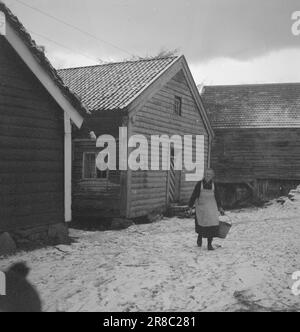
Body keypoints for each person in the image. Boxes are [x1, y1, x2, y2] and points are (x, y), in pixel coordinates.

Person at [189, 169, 224, 251]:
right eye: (206, 174)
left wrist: (220, 207)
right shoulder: (199, 184)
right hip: (201, 207)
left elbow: (217, 196)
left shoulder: (214, 185)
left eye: (209, 174)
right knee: (202, 224)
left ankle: (209, 244)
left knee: (212, 224)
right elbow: (194, 195)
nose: (208, 175)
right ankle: (200, 236)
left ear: (212, 175)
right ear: (204, 175)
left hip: (212, 207)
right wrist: (190, 205)